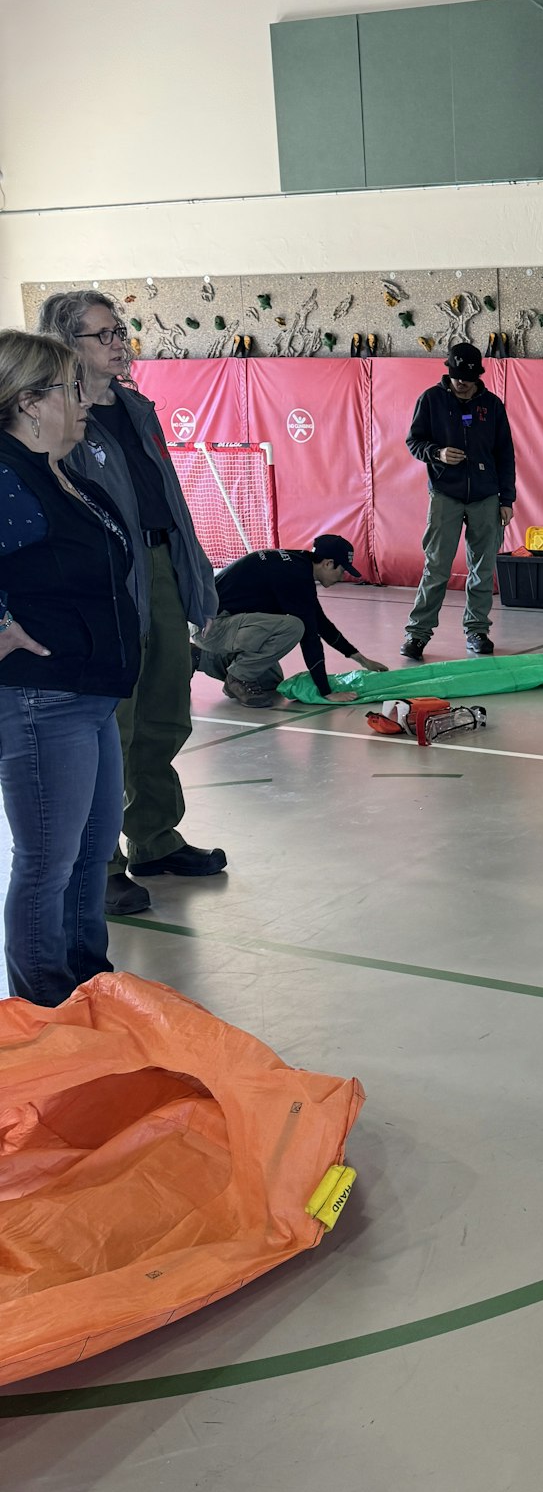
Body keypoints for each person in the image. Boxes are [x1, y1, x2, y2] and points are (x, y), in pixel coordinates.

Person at [38, 289, 223, 917]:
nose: (120, 343)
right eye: (104, 335)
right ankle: (101, 864)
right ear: (68, 345)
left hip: (163, 564)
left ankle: (154, 837)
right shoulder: (54, 417)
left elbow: (166, 499)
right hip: (110, 579)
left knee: (166, 708)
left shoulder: (138, 409)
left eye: (121, 331)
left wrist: (193, 574)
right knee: (112, 721)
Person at [0, 331, 140, 1004]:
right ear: (29, 402)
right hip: (42, 699)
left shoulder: (66, 476)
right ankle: (43, 1011)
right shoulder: (7, 475)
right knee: (48, 864)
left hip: (91, 696)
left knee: (89, 859)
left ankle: (88, 983)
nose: (86, 400)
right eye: (70, 388)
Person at [401, 342, 516, 661]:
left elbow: (505, 454)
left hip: (486, 497)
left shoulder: (492, 406)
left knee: (483, 566)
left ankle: (477, 630)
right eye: (456, 376)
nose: (461, 382)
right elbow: (414, 441)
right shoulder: (431, 400)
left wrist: (507, 499)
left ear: (478, 375)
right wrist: (436, 453)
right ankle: (417, 633)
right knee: (436, 566)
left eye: (467, 377)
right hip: (445, 495)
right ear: (448, 372)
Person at [195, 534, 388, 704]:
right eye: (342, 570)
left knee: (270, 681)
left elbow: (320, 623)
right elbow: (310, 637)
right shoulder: (294, 575)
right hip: (212, 627)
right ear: (328, 563)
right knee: (294, 627)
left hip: (217, 625)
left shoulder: (298, 565)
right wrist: (325, 691)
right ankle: (237, 678)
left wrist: (362, 660)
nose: (342, 576)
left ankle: (201, 657)